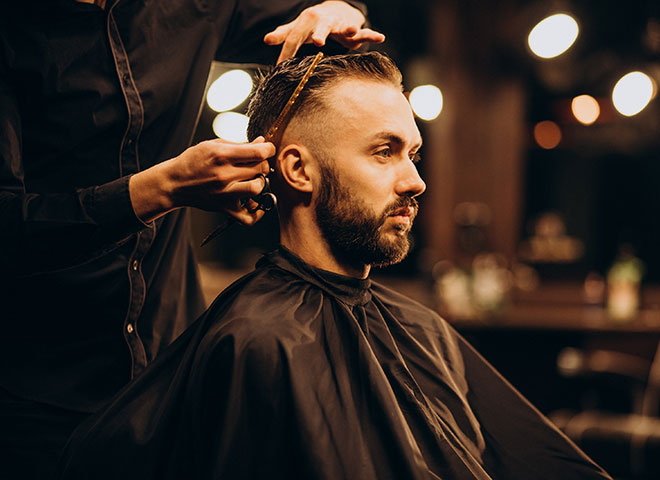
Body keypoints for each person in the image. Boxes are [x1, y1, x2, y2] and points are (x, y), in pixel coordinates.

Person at [57, 52, 612, 480]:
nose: (415, 181)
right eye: (383, 151)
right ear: (298, 169)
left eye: (413, 155)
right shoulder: (258, 343)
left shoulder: (423, 331)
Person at [0, 1, 384, 478]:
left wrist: (336, 8)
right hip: (35, 391)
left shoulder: (190, 7)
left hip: (171, 369)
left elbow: (319, 17)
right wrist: (162, 188)